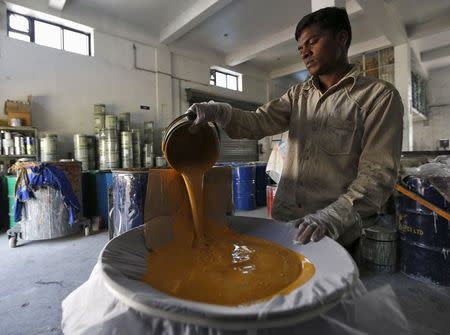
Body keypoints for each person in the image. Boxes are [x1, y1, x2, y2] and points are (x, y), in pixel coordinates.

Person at [188, 7, 404, 247]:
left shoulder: (378, 97)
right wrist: (221, 112)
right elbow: (258, 122)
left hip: (331, 231)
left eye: (313, 42)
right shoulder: (298, 95)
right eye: (301, 48)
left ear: (342, 39)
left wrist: (333, 216)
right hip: (285, 221)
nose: (305, 53)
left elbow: (378, 173)